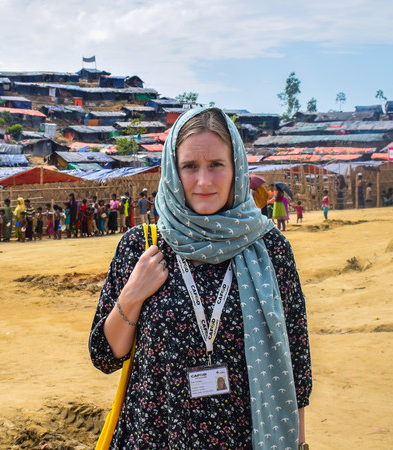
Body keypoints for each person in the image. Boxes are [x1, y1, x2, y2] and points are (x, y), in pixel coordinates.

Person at [89, 107, 311, 448]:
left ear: (236, 167)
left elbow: (295, 363)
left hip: (245, 437)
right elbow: (106, 355)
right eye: (190, 166)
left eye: (216, 165)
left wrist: (299, 443)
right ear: (172, 172)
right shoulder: (142, 247)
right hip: (156, 436)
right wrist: (132, 294)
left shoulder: (270, 248)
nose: (203, 181)